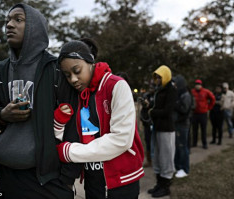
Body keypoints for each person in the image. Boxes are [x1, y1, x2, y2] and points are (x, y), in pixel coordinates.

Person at [0, 4, 80, 198]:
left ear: (35, 27)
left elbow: (74, 125)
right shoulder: (1, 70)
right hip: (8, 174)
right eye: (7, 21)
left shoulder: (55, 68)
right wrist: (3, 115)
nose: (9, 25)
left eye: (18, 20)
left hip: (48, 179)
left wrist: (67, 177)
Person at [55, 40, 144, 199]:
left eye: (77, 70)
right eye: (67, 75)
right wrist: (59, 121)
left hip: (121, 179)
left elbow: (121, 139)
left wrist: (69, 152)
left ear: (90, 62)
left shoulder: (116, 85)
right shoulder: (78, 95)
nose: (73, 79)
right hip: (92, 178)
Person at [147, 65, 177, 198]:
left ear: (165, 76)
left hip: (166, 129)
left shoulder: (171, 90)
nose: (157, 80)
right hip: (157, 127)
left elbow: (167, 111)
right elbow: (158, 107)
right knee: (158, 157)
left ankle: (165, 187)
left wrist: (152, 112)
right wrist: (149, 106)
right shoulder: (160, 89)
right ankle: (159, 184)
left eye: (159, 77)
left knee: (166, 157)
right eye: (156, 77)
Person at [173, 75, 193, 178]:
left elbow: (185, 110)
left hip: (182, 124)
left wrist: (175, 104)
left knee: (182, 146)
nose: (174, 85)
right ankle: (178, 166)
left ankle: (185, 169)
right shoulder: (179, 94)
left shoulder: (185, 95)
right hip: (177, 124)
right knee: (177, 146)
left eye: (175, 83)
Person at [191, 79, 215, 149]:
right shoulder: (192, 92)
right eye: (196, 84)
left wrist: (209, 107)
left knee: (203, 129)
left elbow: (213, 99)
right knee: (194, 129)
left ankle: (204, 143)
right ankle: (194, 142)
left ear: (201, 85)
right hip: (195, 113)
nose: (197, 86)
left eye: (198, 84)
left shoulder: (206, 91)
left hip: (203, 113)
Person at [140, 83, 155, 167]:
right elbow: (143, 109)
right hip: (147, 123)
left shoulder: (157, 96)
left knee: (155, 142)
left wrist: (149, 104)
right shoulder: (146, 96)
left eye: (152, 87)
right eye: (150, 87)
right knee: (148, 141)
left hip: (154, 122)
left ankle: (155, 159)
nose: (151, 89)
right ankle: (149, 160)